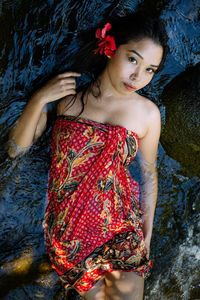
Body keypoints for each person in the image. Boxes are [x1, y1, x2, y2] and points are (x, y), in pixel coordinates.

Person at [8, 10, 168, 300]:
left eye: (150, 69)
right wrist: (40, 98)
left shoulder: (147, 113)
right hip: (70, 232)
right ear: (110, 48)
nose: (138, 76)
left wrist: (146, 234)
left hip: (119, 223)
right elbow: (16, 149)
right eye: (133, 59)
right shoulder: (67, 100)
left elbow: (148, 173)